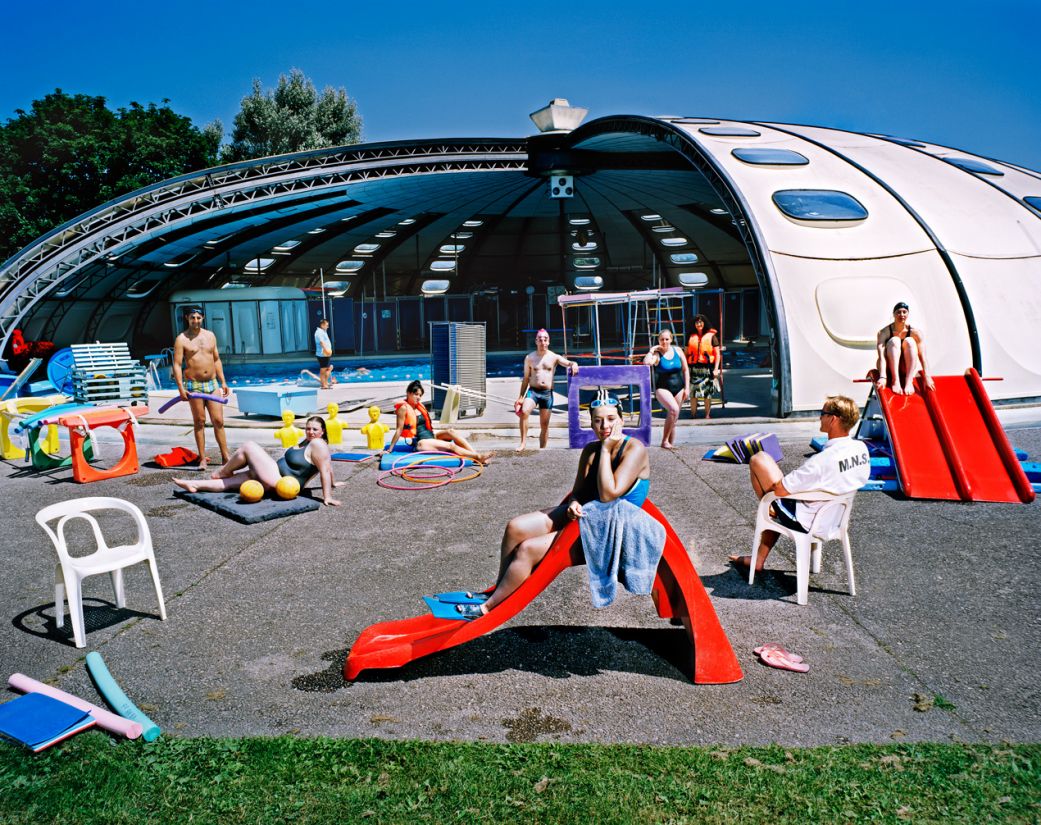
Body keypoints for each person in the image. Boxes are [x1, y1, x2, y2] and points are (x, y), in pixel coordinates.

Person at [455, 392, 650, 619]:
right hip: (588, 518)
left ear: (622, 420)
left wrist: (606, 449)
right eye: (597, 420)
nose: (603, 426)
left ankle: (487, 609)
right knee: (515, 527)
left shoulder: (634, 449)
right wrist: (574, 503)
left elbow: (608, 495)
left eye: (610, 419)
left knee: (527, 549)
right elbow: (578, 493)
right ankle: (499, 590)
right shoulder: (590, 450)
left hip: (613, 531)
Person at [728, 395, 870, 574]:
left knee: (758, 460)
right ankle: (759, 554)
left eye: (822, 413)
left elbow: (780, 489)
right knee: (773, 487)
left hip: (808, 519)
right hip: (835, 518)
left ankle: (767, 526)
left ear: (833, 419)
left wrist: (774, 500)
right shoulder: (860, 449)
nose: (820, 417)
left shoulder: (822, 461)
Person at [173, 415, 342, 506]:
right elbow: (328, 469)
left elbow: (325, 470)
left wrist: (327, 496)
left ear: (322, 431)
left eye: (315, 429)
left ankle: (223, 470)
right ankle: (194, 485)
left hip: (281, 482)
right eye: (308, 428)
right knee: (231, 483)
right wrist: (334, 483)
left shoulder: (318, 444)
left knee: (249, 446)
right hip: (272, 476)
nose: (310, 432)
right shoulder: (308, 442)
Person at [172, 306, 230, 471]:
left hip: (212, 383)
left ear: (203, 318)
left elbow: (216, 359)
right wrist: (180, 388)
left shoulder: (210, 335)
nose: (195, 321)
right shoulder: (181, 339)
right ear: (187, 319)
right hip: (194, 385)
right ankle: (202, 459)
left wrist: (223, 381)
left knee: (218, 421)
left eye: (198, 317)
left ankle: (226, 457)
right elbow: (176, 365)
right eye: (192, 318)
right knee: (199, 422)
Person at [386, 380, 493, 464]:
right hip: (421, 443)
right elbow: (399, 429)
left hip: (431, 437)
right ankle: (478, 457)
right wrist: (390, 450)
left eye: (420, 395)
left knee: (451, 431)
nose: (418, 397)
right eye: (416, 394)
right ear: (408, 393)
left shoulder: (419, 407)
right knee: (451, 446)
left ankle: (475, 454)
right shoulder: (403, 408)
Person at [515, 328, 579, 451]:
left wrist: (574, 364)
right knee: (524, 412)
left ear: (548, 342)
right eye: (540, 339)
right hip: (533, 391)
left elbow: (568, 363)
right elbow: (526, 378)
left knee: (544, 425)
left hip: (547, 394)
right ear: (536, 341)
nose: (543, 342)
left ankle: (542, 449)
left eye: (545, 339)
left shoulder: (554, 357)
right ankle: (523, 443)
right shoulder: (530, 357)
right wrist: (521, 396)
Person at [643, 329, 689, 449]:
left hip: (679, 388)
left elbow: (685, 369)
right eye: (662, 339)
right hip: (662, 388)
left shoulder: (678, 350)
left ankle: (670, 444)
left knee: (674, 417)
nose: (664, 342)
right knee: (673, 410)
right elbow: (646, 363)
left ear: (671, 339)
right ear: (658, 341)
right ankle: (664, 441)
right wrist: (652, 350)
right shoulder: (657, 354)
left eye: (667, 339)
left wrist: (687, 388)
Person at [875, 302, 934, 395]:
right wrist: (883, 376)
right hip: (888, 368)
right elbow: (881, 356)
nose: (901, 315)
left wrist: (927, 376)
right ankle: (895, 380)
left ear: (908, 314)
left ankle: (908, 381)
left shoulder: (915, 332)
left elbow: (923, 357)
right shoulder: (884, 332)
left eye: (904, 312)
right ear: (893, 314)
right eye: (898, 312)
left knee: (910, 341)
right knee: (895, 340)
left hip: (904, 368)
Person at [686, 314, 722, 419]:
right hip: (693, 369)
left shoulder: (712, 336)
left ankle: (707, 415)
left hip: (707, 369)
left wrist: (716, 369)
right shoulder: (690, 336)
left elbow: (717, 354)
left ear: (704, 323)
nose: (699, 324)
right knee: (693, 394)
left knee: (707, 394)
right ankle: (693, 415)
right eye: (697, 322)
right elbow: (686, 353)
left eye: (701, 322)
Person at [314, 318, 336, 390]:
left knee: (326, 369)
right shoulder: (319, 332)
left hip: (324, 354)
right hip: (322, 354)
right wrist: (326, 351)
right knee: (323, 370)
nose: (328, 326)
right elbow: (321, 342)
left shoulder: (323, 331)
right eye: (327, 325)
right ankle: (324, 385)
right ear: (322, 325)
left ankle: (325, 383)